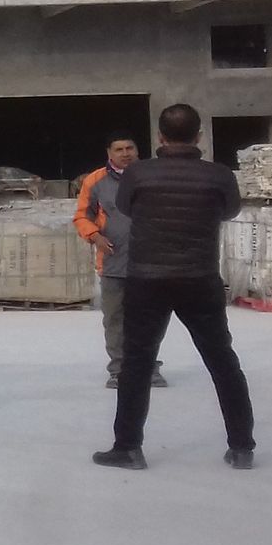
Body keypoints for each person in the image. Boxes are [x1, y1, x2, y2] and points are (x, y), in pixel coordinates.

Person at [94, 103, 254, 471]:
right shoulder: (219, 175)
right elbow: (230, 211)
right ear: (199, 136)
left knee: (136, 364)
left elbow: (126, 208)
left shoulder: (138, 173)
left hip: (147, 280)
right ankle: (242, 447)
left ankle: (128, 448)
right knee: (223, 362)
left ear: (160, 136)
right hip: (199, 278)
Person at [74, 131, 166, 390]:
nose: (125, 154)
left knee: (149, 320)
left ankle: (148, 368)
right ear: (109, 153)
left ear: (137, 150)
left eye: (129, 148)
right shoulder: (95, 181)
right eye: (119, 149)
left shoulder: (152, 176)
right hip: (113, 264)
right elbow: (82, 216)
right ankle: (119, 370)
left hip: (150, 264)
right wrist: (95, 236)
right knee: (115, 320)